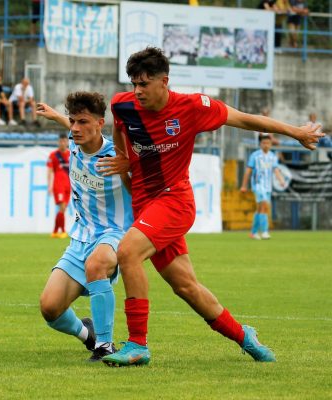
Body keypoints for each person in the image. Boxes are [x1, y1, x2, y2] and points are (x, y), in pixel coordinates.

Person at [96, 47, 323, 367]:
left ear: (165, 82)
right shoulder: (123, 105)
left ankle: (137, 344)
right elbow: (119, 129)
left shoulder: (193, 106)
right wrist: (123, 158)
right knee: (186, 287)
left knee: (128, 252)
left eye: (145, 84)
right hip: (147, 206)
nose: (138, 91)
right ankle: (246, 337)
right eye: (134, 83)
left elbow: (245, 118)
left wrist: (296, 132)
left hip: (175, 201)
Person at [37, 93, 133, 362]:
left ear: (100, 123)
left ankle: (105, 345)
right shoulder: (74, 140)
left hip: (114, 234)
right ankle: (87, 335)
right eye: (72, 121)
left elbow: (140, 191)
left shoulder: (118, 156)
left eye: (83, 122)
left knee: (97, 264)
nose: (75, 128)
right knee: (50, 308)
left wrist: (126, 172)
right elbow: (69, 126)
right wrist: (55, 115)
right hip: (81, 237)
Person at [240, 134, 285, 240]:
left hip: (267, 186)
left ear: (270, 144)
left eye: (268, 143)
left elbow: (276, 170)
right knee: (264, 206)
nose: (266, 145)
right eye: (264, 143)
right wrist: (243, 185)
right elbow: (248, 170)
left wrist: (281, 180)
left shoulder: (273, 157)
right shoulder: (255, 156)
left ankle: (253, 232)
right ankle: (264, 231)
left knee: (260, 208)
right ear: (260, 144)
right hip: (258, 185)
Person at [47, 132, 71, 238]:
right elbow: (50, 171)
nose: (63, 143)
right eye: (61, 141)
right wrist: (49, 185)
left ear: (67, 142)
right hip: (58, 185)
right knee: (61, 207)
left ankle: (55, 231)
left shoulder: (71, 154)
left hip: (68, 186)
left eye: (65, 141)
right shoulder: (53, 155)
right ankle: (63, 230)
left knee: (64, 209)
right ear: (58, 142)